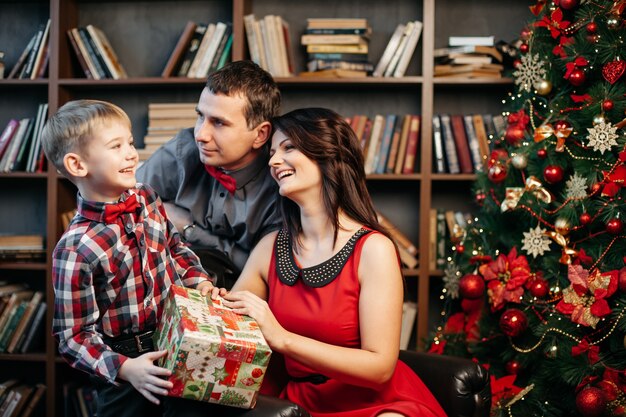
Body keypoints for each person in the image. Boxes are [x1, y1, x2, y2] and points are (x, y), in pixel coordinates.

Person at [215, 108, 447, 416]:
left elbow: (380, 368)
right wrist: (212, 302)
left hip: (378, 402)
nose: (272, 161)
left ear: (327, 155)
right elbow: (229, 325)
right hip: (302, 404)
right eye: (272, 152)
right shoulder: (269, 248)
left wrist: (282, 338)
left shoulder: (374, 249)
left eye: (288, 148)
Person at [42, 99, 215, 417]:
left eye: (131, 143)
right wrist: (125, 369)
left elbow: (174, 248)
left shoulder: (146, 197)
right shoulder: (74, 251)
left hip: (175, 336)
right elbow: (73, 337)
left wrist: (199, 280)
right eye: (116, 146)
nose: (131, 153)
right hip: (126, 362)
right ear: (78, 165)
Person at [136, 60, 282, 289]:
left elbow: (265, 269)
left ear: (260, 135)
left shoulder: (280, 183)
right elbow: (129, 205)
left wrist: (188, 228)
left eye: (219, 123)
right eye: (200, 116)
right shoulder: (183, 150)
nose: (201, 134)